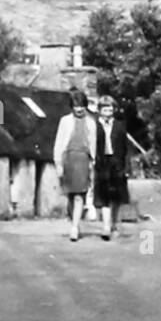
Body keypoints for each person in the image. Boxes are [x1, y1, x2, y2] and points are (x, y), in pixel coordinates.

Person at [53, 90, 97, 241]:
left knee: (80, 195)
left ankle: (74, 227)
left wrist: (93, 163)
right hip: (68, 159)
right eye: (76, 106)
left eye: (82, 106)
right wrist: (58, 163)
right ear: (72, 107)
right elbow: (59, 143)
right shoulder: (65, 121)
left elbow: (93, 145)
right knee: (71, 195)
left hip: (84, 159)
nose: (79, 109)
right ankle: (74, 221)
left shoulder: (91, 122)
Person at [92, 95, 129, 240]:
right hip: (102, 162)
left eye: (110, 109)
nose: (108, 112)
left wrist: (123, 164)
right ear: (99, 110)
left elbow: (124, 147)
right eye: (105, 109)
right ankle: (106, 227)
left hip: (117, 162)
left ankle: (114, 223)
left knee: (117, 197)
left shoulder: (119, 126)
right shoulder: (95, 125)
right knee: (104, 196)